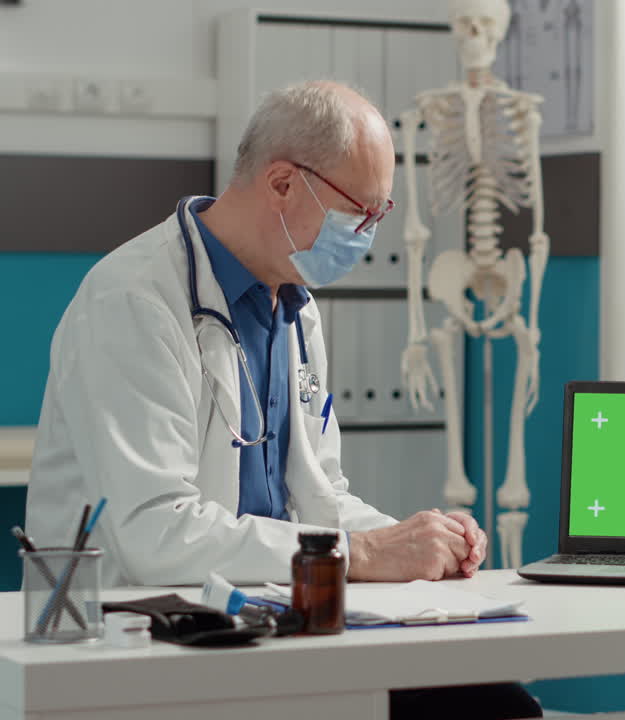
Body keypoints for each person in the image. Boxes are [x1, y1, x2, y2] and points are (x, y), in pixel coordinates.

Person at [26, 81, 540, 719]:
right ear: (281, 184)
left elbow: (319, 499)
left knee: (497, 702)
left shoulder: (295, 307)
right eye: (360, 212)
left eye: (379, 216)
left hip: (262, 618)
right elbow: (154, 535)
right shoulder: (132, 300)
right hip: (144, 634)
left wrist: (412, 538)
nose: (366, 236)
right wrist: (365, 554)